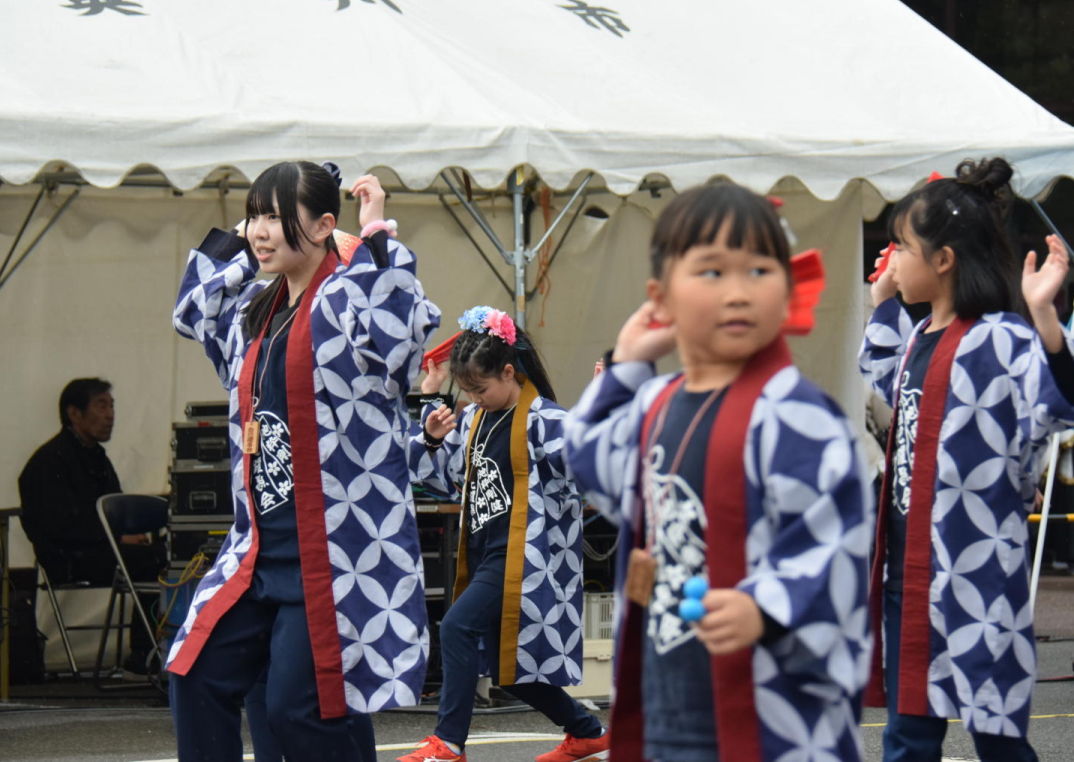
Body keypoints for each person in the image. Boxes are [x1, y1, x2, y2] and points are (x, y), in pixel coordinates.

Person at [563, 183, 874, 762]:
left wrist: (766, 604)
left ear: (788, 289)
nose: (738, 292)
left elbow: (836, 543)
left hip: (767, 714)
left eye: (760, 270)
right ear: (661, 297)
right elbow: (586, 457)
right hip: (666, 700)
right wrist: (627, 361)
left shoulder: (799, 415)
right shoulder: (654, 402)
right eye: (711, 272)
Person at [166, 161, 439, 762]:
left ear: (322, 226)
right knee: (195, 672)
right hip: (258, 550)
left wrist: (374, 231)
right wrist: (244, 239)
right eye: (254, 216)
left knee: (297, 710)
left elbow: (401, 333)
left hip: (335, 554)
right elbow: (193, 310)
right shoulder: (255, 311)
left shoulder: (346, 300)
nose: (259, 230)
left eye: (274, 217)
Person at [861, 158, 1074, 762]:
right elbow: (887, 384)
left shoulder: (999, 336)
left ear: (943, 259)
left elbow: (1069, 399)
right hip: (911, 571)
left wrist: (1043, 316)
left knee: (997, 738)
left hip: (976, 569)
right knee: (908, 737)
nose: (892, 260)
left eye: (901, 247)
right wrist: (883, 302)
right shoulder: (918, 338)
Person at [398, 307, 608, 762]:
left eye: (481, 388)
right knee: (508, 668)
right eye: (469, 391)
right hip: (487, 552)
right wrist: (431, 426)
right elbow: (440, 478)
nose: (474, 398)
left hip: (525, 558)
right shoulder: (474, 419)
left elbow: (592, 465)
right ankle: (588, 732)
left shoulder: (544, 419)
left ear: (509, 372)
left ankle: (449, 742)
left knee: (456, 627)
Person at [18, 377, 166, 674]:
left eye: (112, 406)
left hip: (101, 549)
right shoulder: (50, 461)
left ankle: (155, 649)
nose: (110, 415)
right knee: (156, 562)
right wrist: (118, 538)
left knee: (173, 556)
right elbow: (60, 526)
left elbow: (116, 507)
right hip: (68, 558)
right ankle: (144, 652)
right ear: (74, 413)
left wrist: (129, 533)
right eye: (101, 406)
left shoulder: (97, 456)